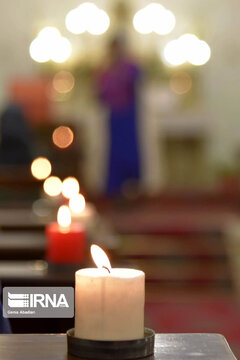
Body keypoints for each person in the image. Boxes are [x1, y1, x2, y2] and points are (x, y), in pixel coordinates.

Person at [97, 35, 141, 195]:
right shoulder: (105, 70)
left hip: (128, 116)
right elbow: (100, 94)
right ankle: (115, 188)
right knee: (115, 154)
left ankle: (133, 186)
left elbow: (138, 83)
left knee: (130, 151)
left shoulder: (131, 67)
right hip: (114, 116)